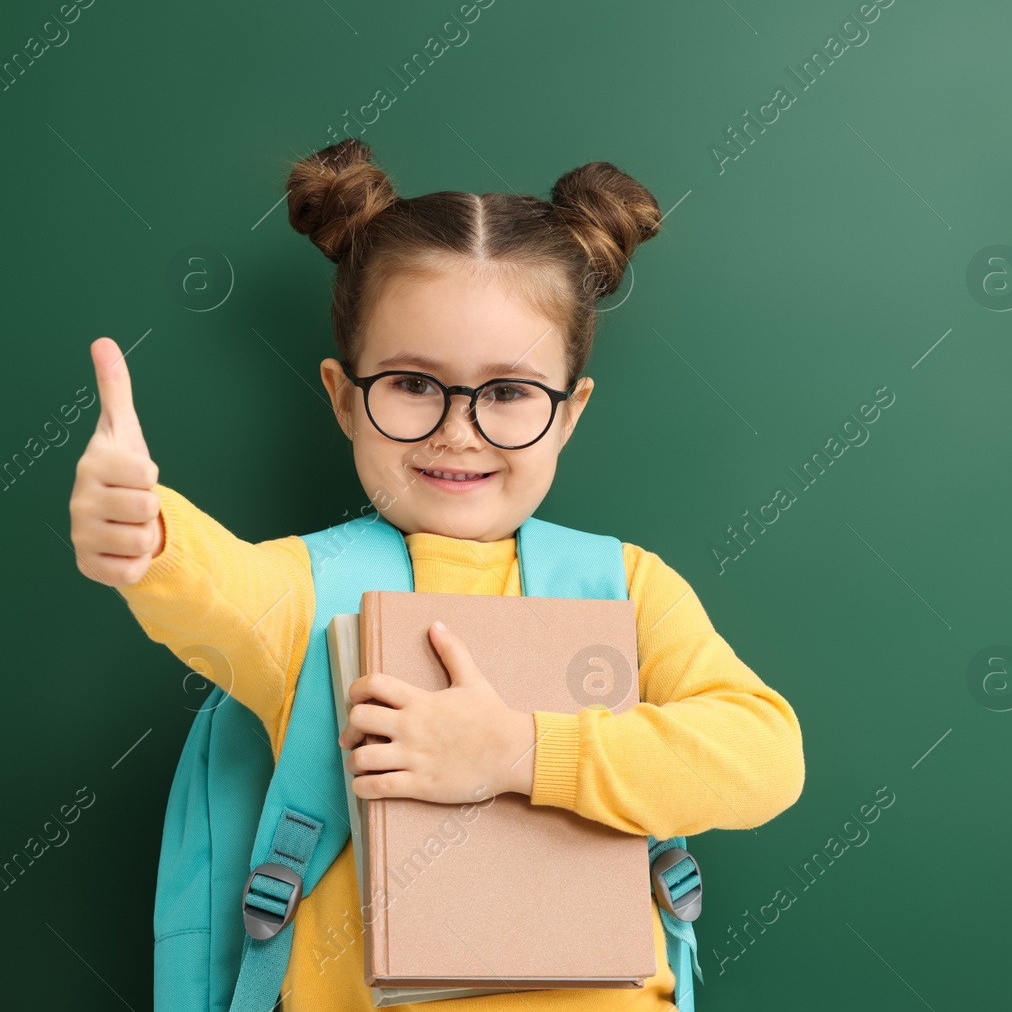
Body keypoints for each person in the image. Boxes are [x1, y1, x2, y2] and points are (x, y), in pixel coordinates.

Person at [67, 137, 806, 1010]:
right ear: (346, 399)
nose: (459, 431)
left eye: (508, 392)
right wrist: (141, 528)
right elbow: (206, 583)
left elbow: (763, 757)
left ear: (569, 414)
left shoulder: (625, 586)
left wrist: (518, 751)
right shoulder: (310, 589)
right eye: (415, 383)